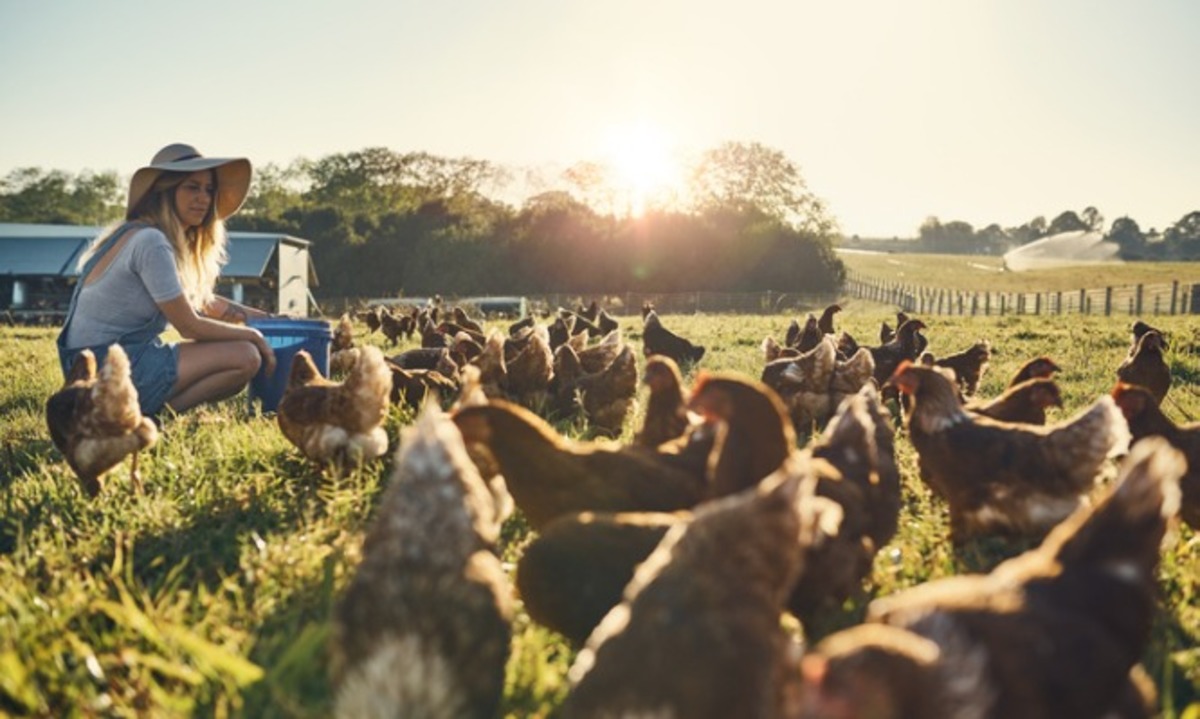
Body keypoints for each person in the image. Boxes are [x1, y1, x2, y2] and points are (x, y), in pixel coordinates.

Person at [56, 143, 277, 418]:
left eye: (209, 190)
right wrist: (254, 335)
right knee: (245, 356)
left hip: (86, 369)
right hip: (106, 368)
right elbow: (188, 325)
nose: (204, 198)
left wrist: (269, 319)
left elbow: (201, 302)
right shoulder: (151, 241)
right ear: (165, 191)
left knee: (242, 353)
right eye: (192, 187)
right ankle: (150, 416)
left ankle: (146, 413)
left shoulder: (135, 233)